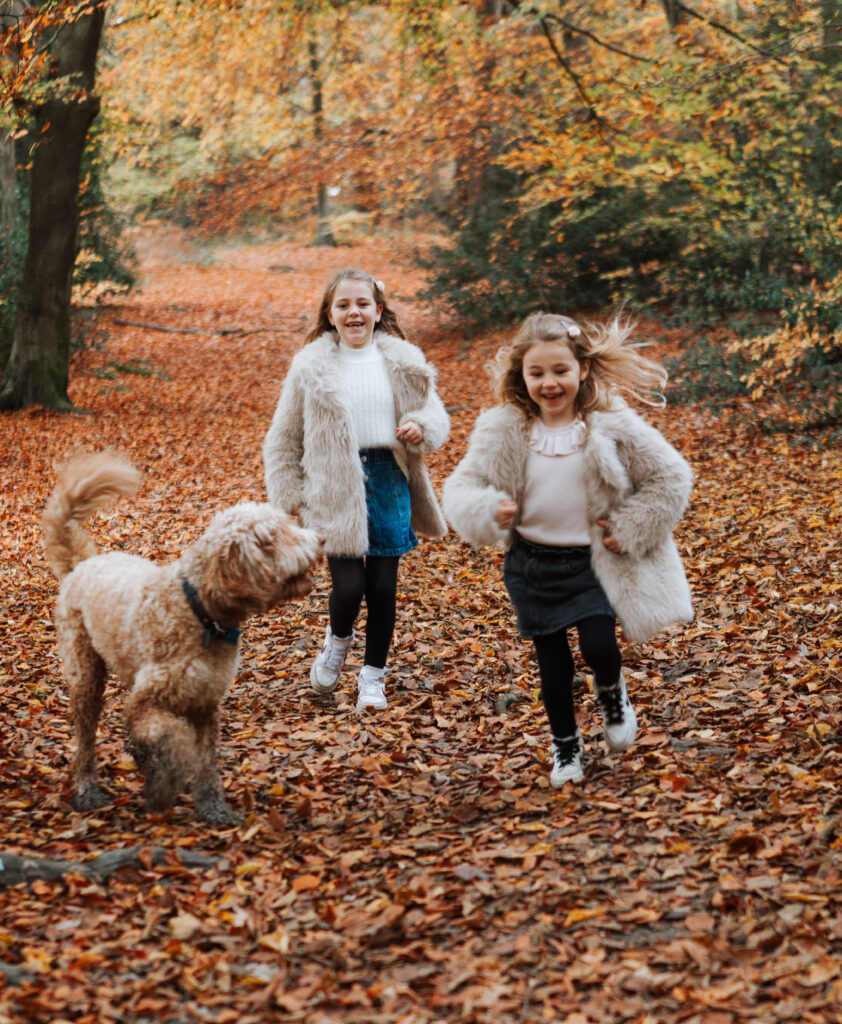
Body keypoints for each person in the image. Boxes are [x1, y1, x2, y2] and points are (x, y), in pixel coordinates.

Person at [442, 312, 693, 786]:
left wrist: (630, 526)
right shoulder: (504, 429)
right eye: (536, 373)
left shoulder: (611, 424)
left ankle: (612, 690)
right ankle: (566, 748)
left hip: (594, 561)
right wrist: (485, 508)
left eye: (560, 370)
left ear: (582, 369)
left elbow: (671, 476)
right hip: (532, 564)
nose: (549, 383)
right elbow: (461, 485)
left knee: (599, 646)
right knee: (552, 666)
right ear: (521, 375)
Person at [263, 268, 449, 710]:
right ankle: (338, 640)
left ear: (378, 311)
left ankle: (372, 677)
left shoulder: (404, 361)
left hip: (388, 478)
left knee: (383, 587)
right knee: (348, 588)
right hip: (333, 483)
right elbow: (283, 437)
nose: (354, 312)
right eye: (343, 305)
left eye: (363, 304)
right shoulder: (310, 367)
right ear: (329, 315)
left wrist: (421, 427)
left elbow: (436, 416)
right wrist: (289, 498)